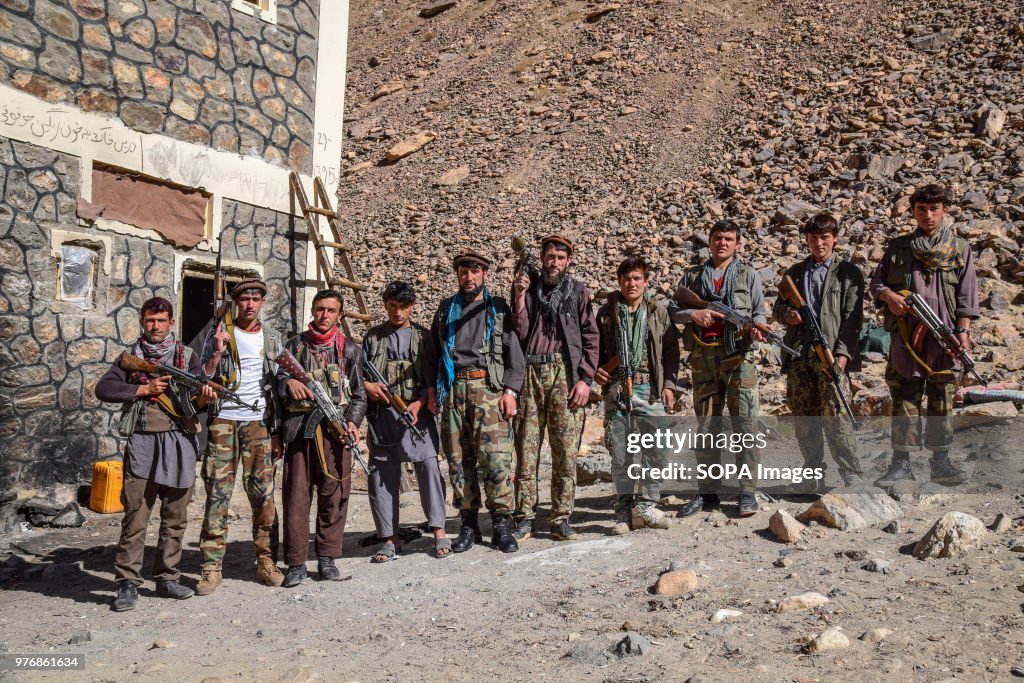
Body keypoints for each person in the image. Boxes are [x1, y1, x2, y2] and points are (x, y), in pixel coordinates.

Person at [95, 296, 214, 611]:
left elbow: (196, 403)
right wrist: (141, 390)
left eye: (162, 320)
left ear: (171, 323)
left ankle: (167, 577)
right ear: (142, 322)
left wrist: (205, 397)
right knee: (136, 516)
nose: (156, 326)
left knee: (175, 516)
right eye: (150, 320)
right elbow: (103, 389)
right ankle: (127, 584)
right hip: (143, 442)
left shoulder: (186, 357)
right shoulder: (130, 357)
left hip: (179, 441)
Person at [869, 184, 979, 487]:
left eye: (933, 209)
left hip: (944, 337)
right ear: (913, 211)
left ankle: (941, 463)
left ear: (944, 210)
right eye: (921, 209)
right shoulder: (898, 247)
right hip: (906, 337)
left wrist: (964, 334)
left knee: (942, 397)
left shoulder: (959, 248)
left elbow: (967, 296)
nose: (927, 215)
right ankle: (901, 464)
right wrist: (890, 297)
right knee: (904, 395)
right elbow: (876, 284)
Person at [424, 250, 526, 553]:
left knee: (495, 460)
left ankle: (501, 526)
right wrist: (432, 391)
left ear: (484, 274)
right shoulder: (446, 310)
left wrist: (511, 392)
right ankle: (469, 525)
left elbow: (514, 357)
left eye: (475, 272)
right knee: (458, 462)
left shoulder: (497, 309)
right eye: (463, 272)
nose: (469, 277)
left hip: (488, 390)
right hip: (454, 390)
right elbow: (431, 354)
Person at [671, 219, 767, 517]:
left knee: (745, 425)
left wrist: (758, 328)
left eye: (728, 239)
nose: (722, 243)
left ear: (737, 244)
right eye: (717, 238)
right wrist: (695, 313)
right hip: (704, 360)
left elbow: (759, 312)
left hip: (739, 359)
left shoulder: (748, 275)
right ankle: (708, 492)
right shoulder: (692, 277)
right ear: (709, 242)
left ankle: (747, 491)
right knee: (707, 426)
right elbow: (672, 309)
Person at [195, 278, 284, 595]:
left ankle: (266, 561)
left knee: (264, 498)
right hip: (223, 423)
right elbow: (200, 379)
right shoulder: (219, 334)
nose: (249, 304)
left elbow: (280, 386)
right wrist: (217, 353)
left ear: (262, 303)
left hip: (258, 424)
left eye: (255, 299)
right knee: (217, 497)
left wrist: (278, 433)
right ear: (235, 302)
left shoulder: (272, 339)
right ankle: (210, 566)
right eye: (244, 299)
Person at [509, 234, 600, 541]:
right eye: (550, 257)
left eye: (561, 258)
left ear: (568, 261)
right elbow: (518, 332)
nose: (555, 263)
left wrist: (585, 379)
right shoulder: (529, 287)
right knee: (526, 449)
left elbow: (590, 336)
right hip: (530, 371)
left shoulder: (576, 291)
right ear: (543, 258)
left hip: (564, 372)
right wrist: (519, 298)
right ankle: (523, 516)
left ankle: (561, 516)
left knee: (565, 450)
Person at [276, 290, 367, 586]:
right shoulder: (294, 346)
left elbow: (359, 394)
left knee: (335, 495)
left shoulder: (349, 350)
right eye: (320, 309)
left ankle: (327, 558)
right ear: (312, 312)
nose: (324, 315)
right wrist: (288, 382)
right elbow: (274, 384)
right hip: (300, 431)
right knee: (297, 498)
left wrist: (352, 423)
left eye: (330, 310)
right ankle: (296, 563)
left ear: (339, 315)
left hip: (335, 434)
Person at [773, 213, 865, 490]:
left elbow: (853, 319)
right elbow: (777, 308)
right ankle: (812, 474)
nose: (819, 243)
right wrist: (788, 314)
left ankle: (851, 473)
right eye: (813, 238)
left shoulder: (848, 273)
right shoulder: (795, 272)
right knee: (804, 415)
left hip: (831, 353)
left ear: (835, 238)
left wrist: (842, 356)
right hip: (800, 353)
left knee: (835, 414)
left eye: (824, 237)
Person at [362, 281, 449, 561]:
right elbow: (357, 375)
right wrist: (368, 388)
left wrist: (419, 402)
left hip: (416, 414)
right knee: (381, 477)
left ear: (412, 307)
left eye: (403, 307)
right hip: (382, 417)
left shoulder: (424, 338)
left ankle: (438, 531)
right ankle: (389, 537)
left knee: (429, 470)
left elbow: (433, 378)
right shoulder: (373, 337)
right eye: (392, 306)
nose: (397, 312)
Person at [595, 256, 679, 534]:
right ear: (619, 282)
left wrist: (668, 385)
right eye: (627, 278)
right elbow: (593, 350)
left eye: (637, 278)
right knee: (621, 452)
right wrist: (597, 371)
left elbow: (670, 352)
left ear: (646, 281)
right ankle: (624, 512)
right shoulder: (606, 313)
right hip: (617, 389)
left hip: (649, 387)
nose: (632, 283)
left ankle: (645, 506)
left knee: (658, 446)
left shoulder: (657, 312)